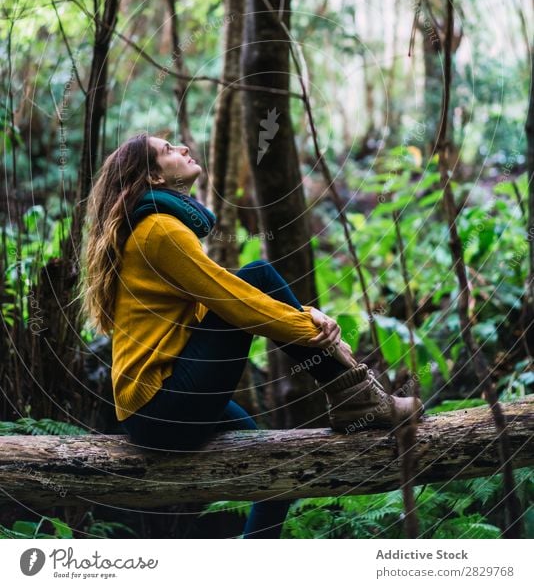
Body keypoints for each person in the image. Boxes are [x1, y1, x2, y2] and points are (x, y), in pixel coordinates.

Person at [81, 132, 423, 539]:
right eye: (169, 150)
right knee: (258, 274)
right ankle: (356, 398)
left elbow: (213, 305)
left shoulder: (158, 226)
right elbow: (234, 302)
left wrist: (306, 317)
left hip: (155, 410)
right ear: (153, 177)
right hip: (162, 408)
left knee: (275, 469)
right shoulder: (158, 230)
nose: (184, 149)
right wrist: (318, 333)